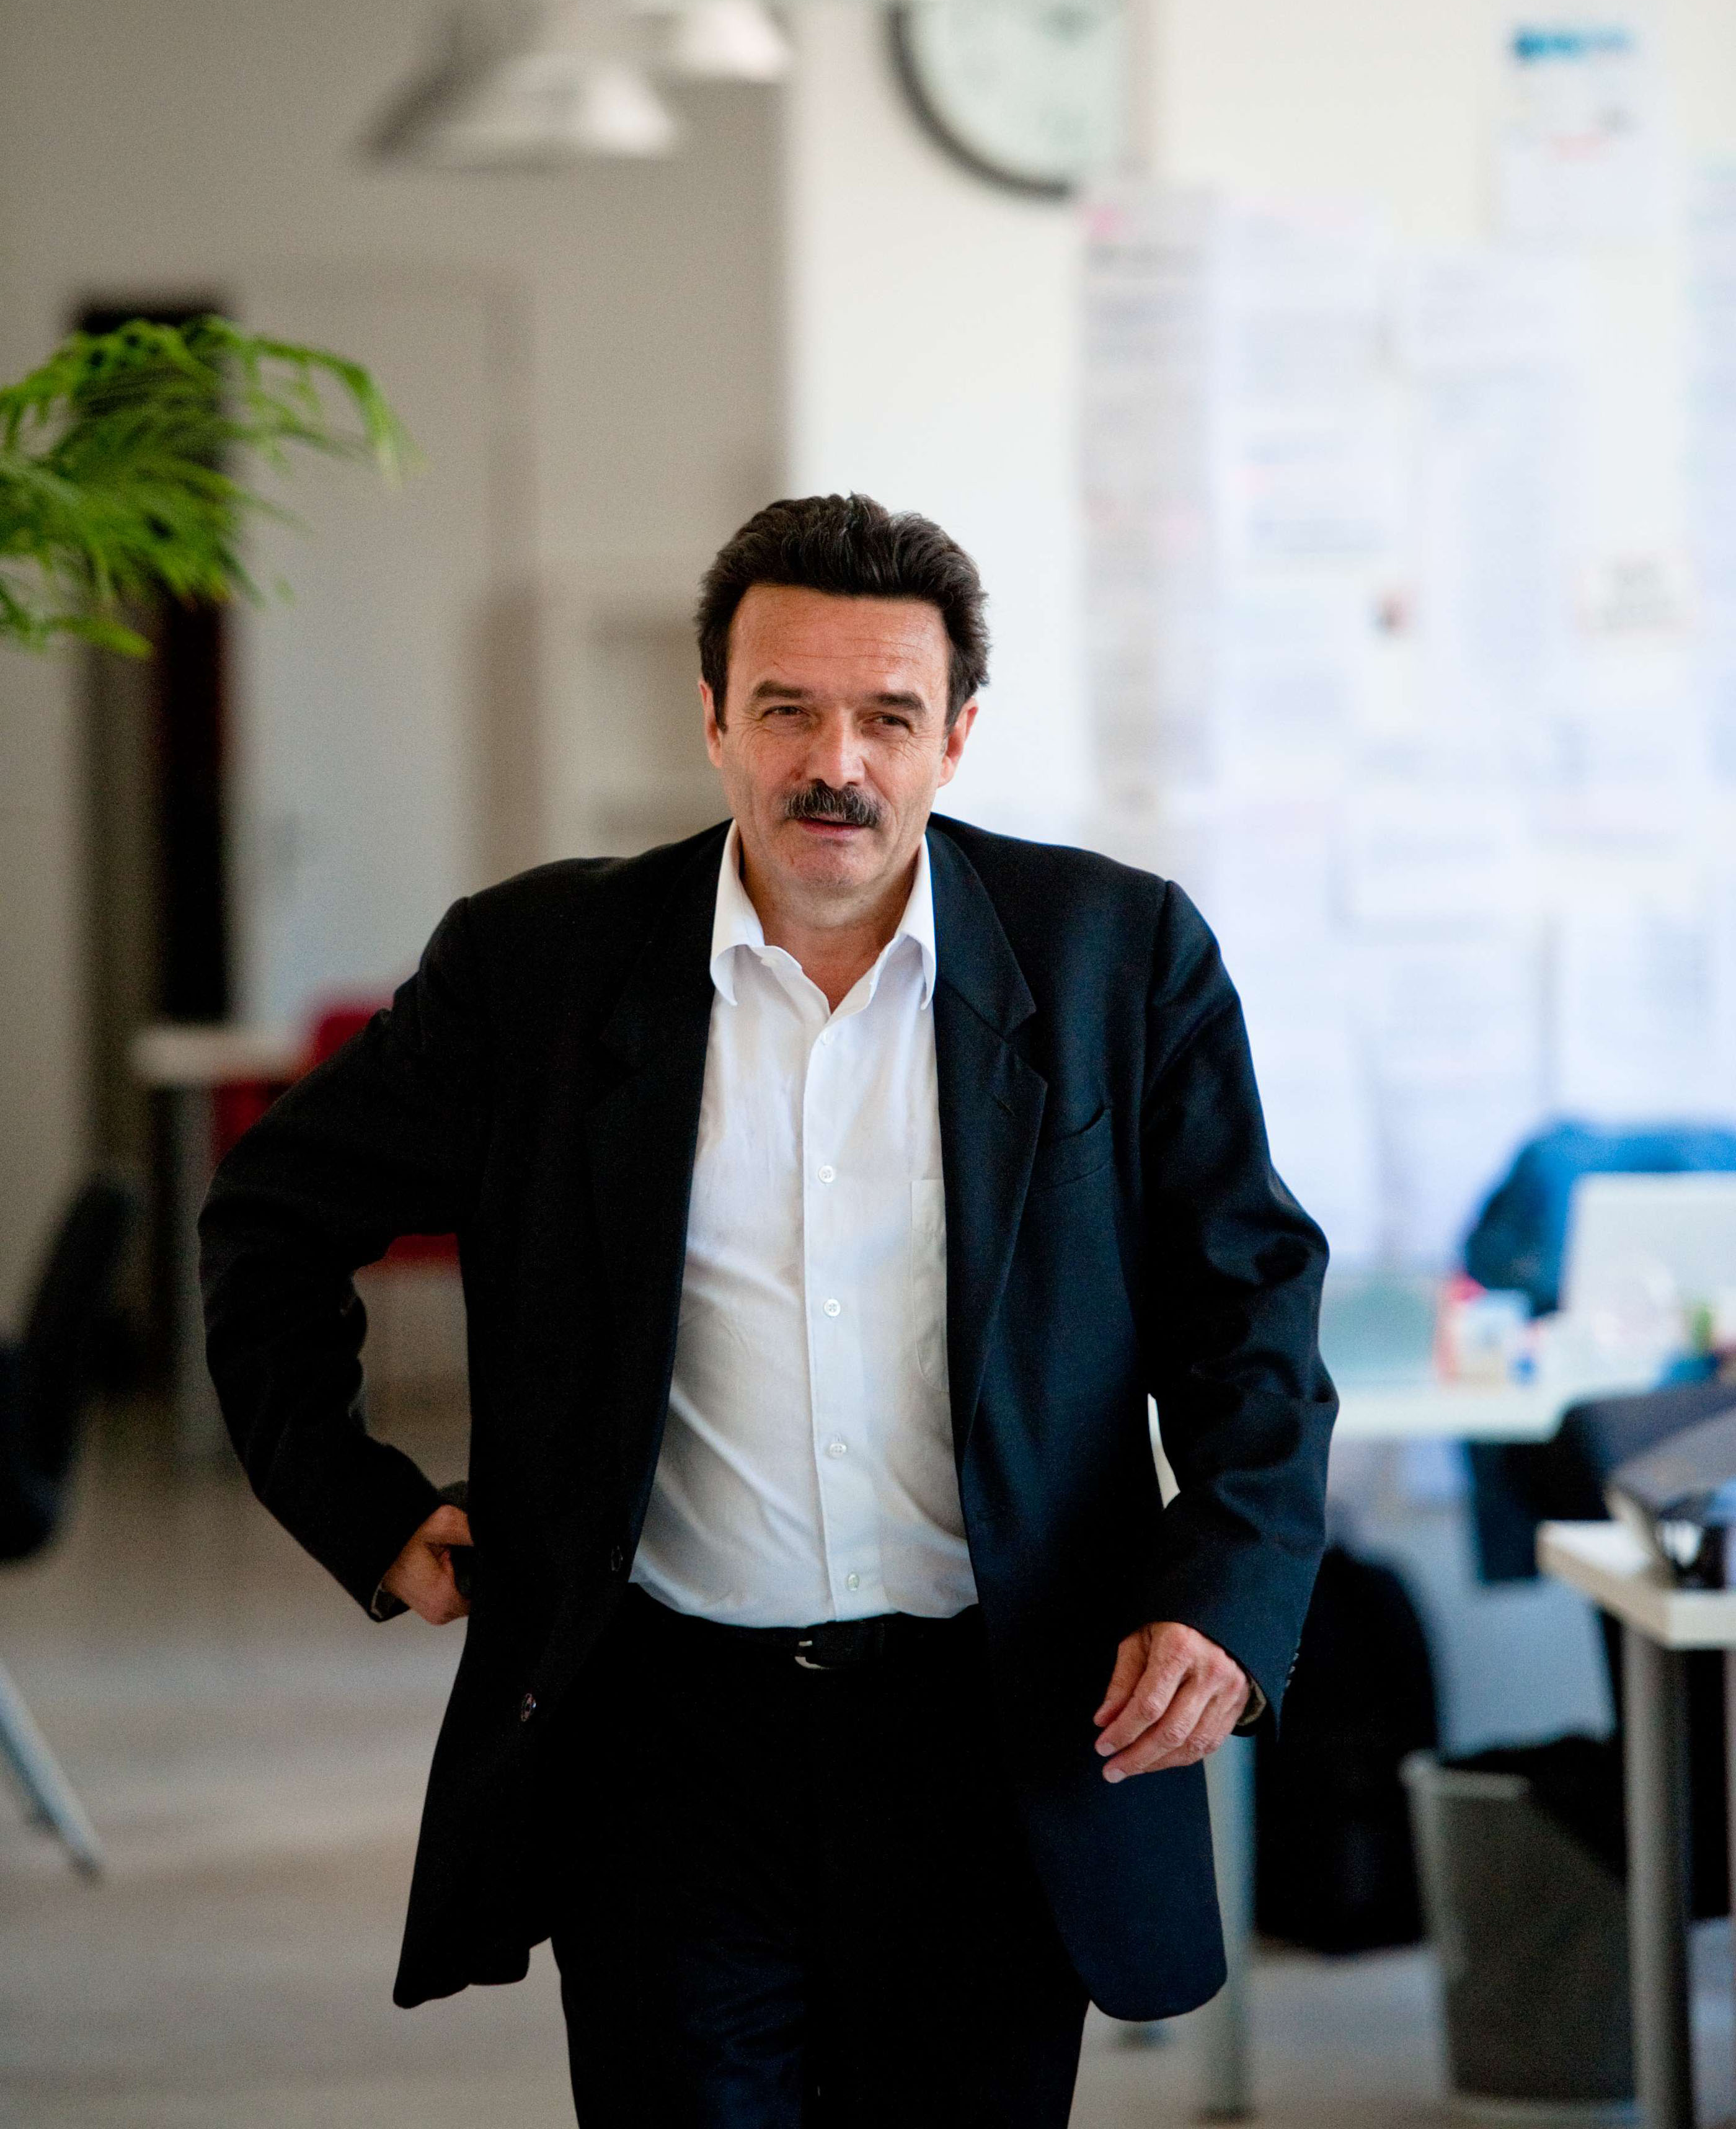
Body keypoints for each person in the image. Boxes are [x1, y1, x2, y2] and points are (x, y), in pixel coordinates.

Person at [202, 491, 1335, 2127]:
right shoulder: (539, 968)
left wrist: (1226, 1588)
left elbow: (1253, 1311)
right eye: (789, 710)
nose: (836, 765)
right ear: (715, 721)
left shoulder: (1118, 958)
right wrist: (358, 1503)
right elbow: (271, 1219)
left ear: (957, 736)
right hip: (661, 1738)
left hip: (998, 1729)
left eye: (888, 717)